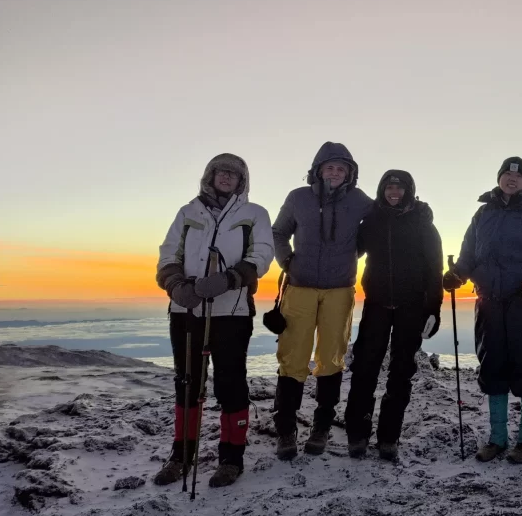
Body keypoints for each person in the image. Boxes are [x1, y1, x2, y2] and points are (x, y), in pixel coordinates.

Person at [153, 154, 275, 488]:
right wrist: (176, 286)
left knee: (230, 384)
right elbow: (168, 254)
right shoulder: (188, 213)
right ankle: (181, 455)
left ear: (242, 181)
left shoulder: (254, 214)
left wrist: (230, 279)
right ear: (210, 176)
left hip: (232, 313)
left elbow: (262, 254)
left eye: (234, 174)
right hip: (186, 312)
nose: (226, 177)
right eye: (221, 172)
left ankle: (231, 458)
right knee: (187, 384)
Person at [442, 157, 522, 464]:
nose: (512, 178)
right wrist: (458, 273)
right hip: (489, 302)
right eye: (507, 174)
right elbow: (470, 253)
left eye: (518, 175)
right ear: (499, 179)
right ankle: (497, 438)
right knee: (493, 366)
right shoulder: (483, 213)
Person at [271, 142, 372, 459]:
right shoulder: (298, 198)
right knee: (293, 358)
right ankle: (286, 430)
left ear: (350, 174)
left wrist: (352, 255)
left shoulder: (359, 201)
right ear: (317, 170)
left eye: (342, 168)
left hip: (340, 290)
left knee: (331, 359)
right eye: (329, 167)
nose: (335, 172)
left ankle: (321, 427)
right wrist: (287, 261)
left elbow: (382, 223)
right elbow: (278, 232)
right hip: (299, 287)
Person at [343, 170, 444, 461]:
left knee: (401, 373)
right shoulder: (372, 219)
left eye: (400, 188)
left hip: (411, 306)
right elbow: (352, 248)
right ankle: (357, 434)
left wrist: (433, 309)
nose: (394, 192)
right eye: (389, 187)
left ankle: (389, 436)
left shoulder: (423, 223)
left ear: (409, 191)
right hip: (376, 304)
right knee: (364, 368)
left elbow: (434, 269)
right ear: (382, 190)